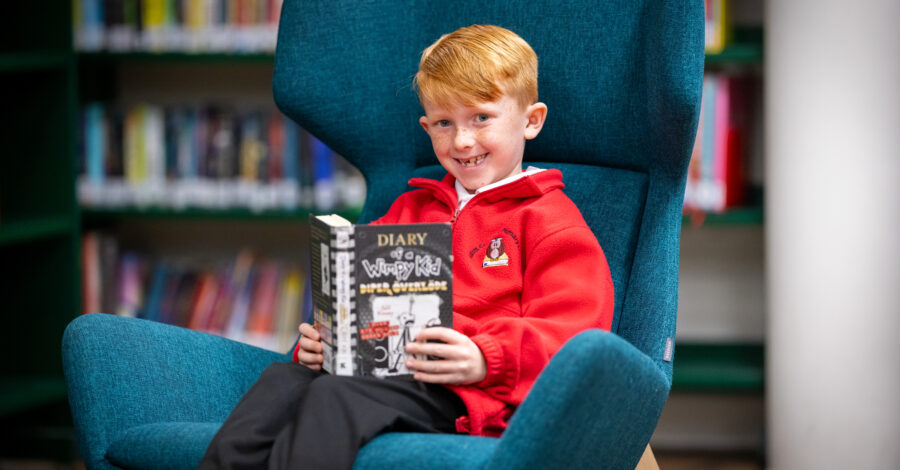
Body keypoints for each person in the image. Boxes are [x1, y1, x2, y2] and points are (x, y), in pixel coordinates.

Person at [199, 24, 614, 470]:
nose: (462, 141)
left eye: (481, 118)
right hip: (382, 367)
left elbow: (577, 336)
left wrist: (484, 358)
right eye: (443, 123)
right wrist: (325, 341)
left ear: (531, 120)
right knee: (285, 378)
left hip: (463, 389)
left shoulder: (549, 219)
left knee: (336, 394)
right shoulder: (410, 208)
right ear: (426, 126)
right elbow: (353, 298)